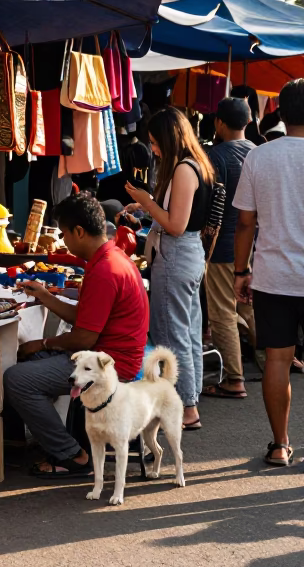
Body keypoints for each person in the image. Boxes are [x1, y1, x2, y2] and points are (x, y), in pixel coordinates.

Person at [3, 194, 149, 478]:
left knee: (17, 379)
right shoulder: (110, 256)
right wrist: (45, 297)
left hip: (110, 365)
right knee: (24, 366)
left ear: (79, 231)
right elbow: (85, 319)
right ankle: (60, 441)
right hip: (105, 354)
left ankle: (71, 455)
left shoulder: (106, 269)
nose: (64, 240)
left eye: (65, 233)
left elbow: (84, 339)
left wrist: (43, 343)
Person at [124, 106, 214, 430]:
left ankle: (186, 408)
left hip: (177, 255)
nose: (154, 150)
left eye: (155, 142)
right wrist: (146, 209)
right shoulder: (195, 164)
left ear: (168, 138)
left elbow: (176, 225)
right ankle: (191, 401)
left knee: (172, 335)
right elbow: (175, 219)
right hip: (187, 254)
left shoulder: (184, 169)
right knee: (187, 332)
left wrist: (147, 202)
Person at [233, 78, 304, 466]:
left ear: (279, 112)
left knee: (278, 359)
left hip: (273, 275)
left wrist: (240, 272)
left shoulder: (260, 156)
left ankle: (280, 444)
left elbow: (246, 223)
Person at [203, 97, 257, 399]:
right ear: (248, 123)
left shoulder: (215, 156)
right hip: (257, 247)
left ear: (219, 123)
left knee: (223, 311)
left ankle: (234, 378)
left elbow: (209, 205)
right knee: (252, 308)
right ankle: (277, 360)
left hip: (224, 248)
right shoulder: (258, 153)